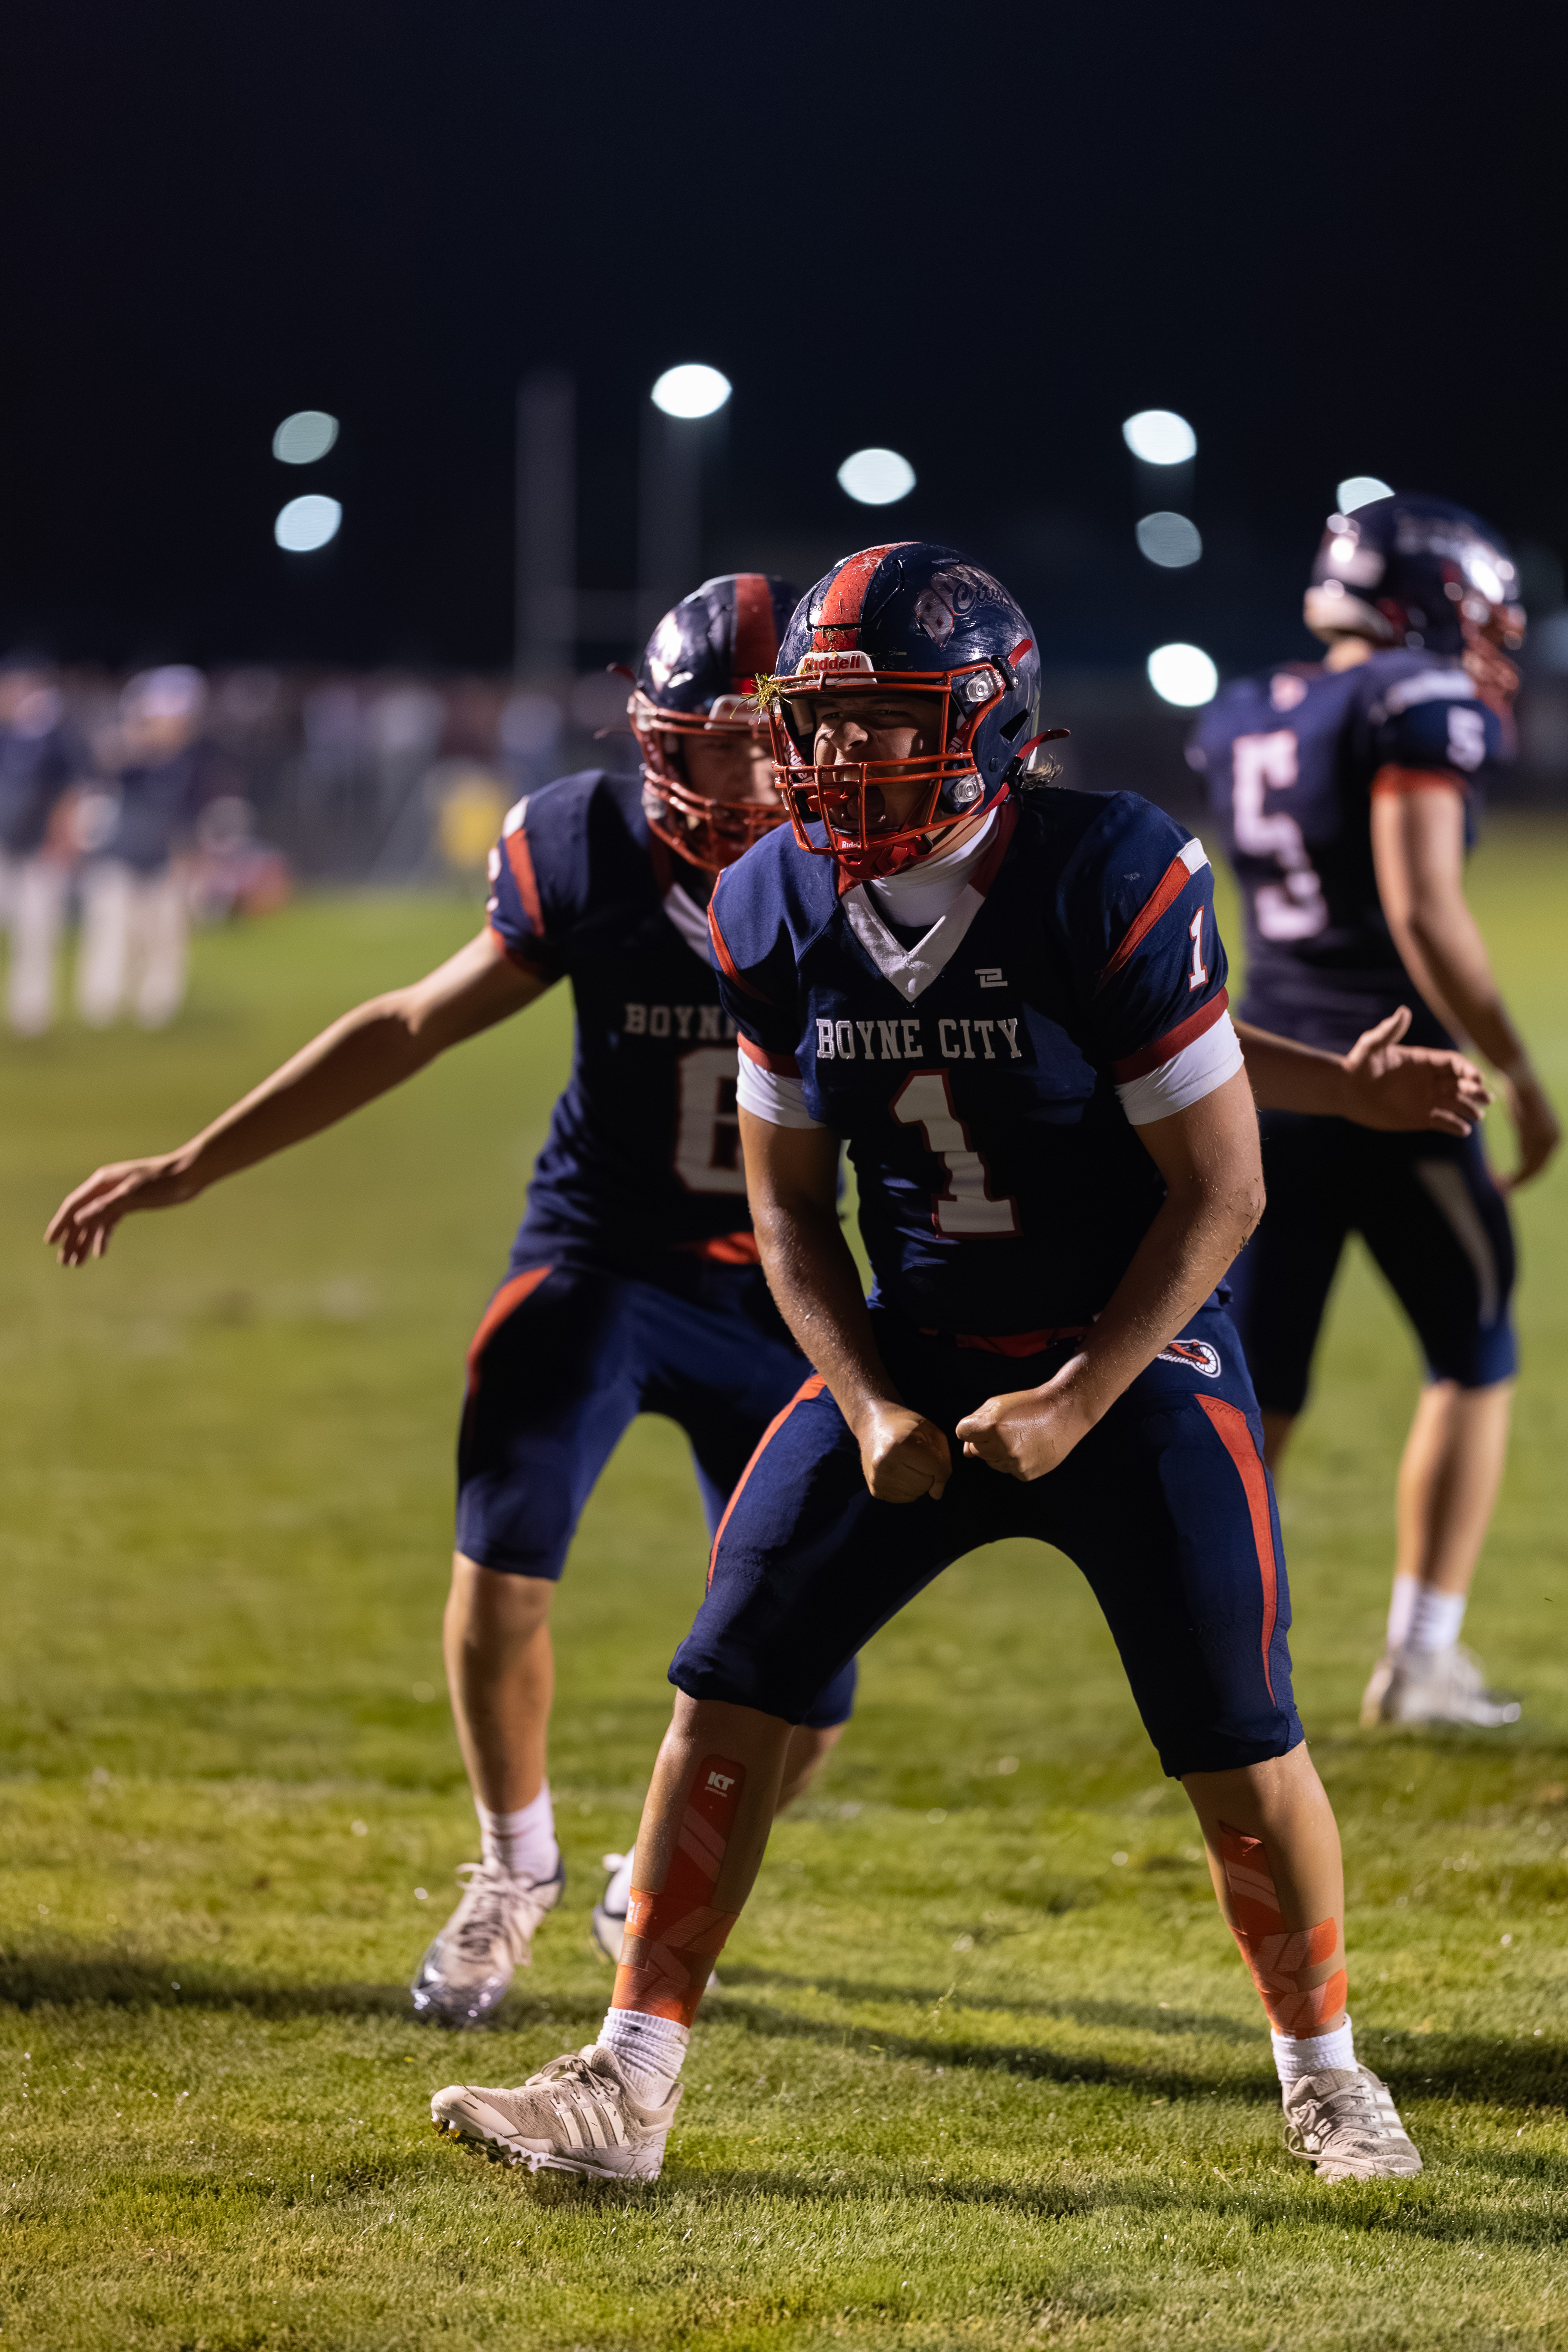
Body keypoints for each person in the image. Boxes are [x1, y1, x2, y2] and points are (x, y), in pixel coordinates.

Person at [429, 542, 1440, 2187]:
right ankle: (629, 2078)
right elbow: (785, 1207)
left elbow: (1221, 1189)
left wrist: (1078, 1394)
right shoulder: (771, 897)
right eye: (820, 720)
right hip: (910, 1340)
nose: (837, 756)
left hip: (1130, 1349)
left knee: (1233, 1732)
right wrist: (867, 1398)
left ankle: (1325, 2073)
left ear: (987, 723)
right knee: (725, 1685)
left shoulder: (1103, 868)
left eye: (883, 720)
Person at [46, 577, 860, 2024]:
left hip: (785, 1288)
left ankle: (647, 1870)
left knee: (812, 1686)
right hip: (600, 1251)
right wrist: (192, 1163)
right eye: (706, 741)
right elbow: (411, 1020)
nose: (734, 775)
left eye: (760, 741)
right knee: (501, 1567)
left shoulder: (864, 868)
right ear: (653, 737)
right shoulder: (584, 844)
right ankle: (511, 1863)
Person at [1189, 492, 1559, 1731]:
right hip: (1391, 1077)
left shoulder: (1248, 705)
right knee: (1476, 1352)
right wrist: (1514, 1066)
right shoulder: (1417, 698)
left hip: (1264, 1077)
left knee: (1263, 1389)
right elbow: (1420, 905)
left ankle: (1202, 1651)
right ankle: (1419, 1659)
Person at [76, 665, 216, 1030]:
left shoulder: (194, 764)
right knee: (113, 932)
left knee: (165, 938)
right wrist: (137, 736)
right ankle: (103, 1004)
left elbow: (195, 818)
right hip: (119, 856)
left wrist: (194, 863)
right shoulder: (132, 759)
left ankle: (157, 1006)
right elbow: (102, 762)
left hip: (167, 860)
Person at [0, 653, 79, 1037]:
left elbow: (71, 795)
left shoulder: (57, 742)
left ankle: (31, 1011)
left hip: (40, 848)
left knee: (36, 931)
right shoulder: (5, 737)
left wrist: (62, 839)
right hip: (4, 846)